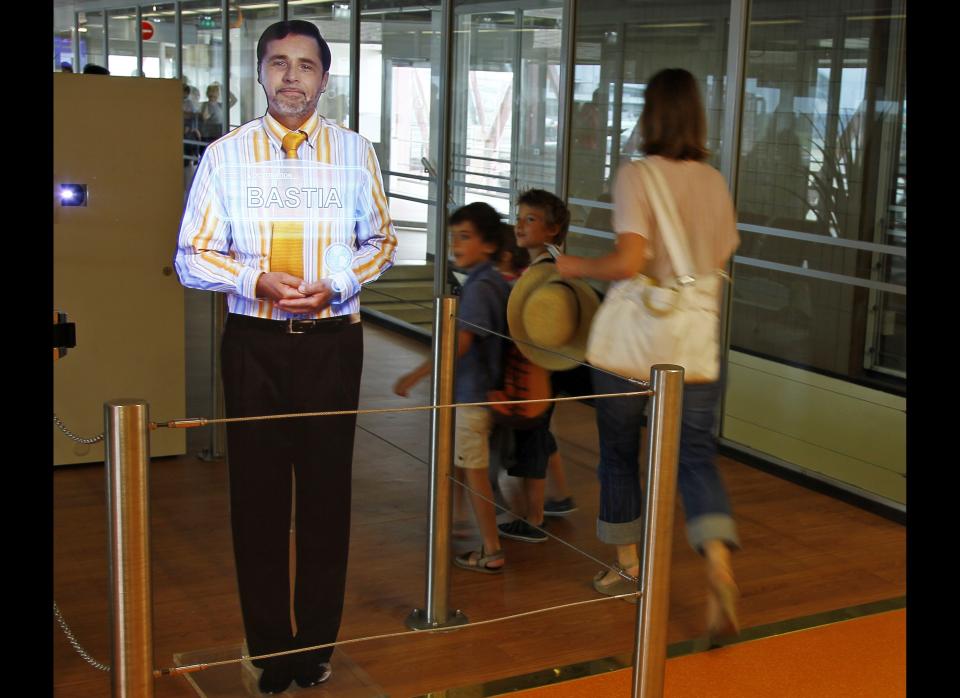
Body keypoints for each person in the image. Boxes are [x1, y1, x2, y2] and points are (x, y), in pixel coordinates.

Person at [174, 20, 397, 694]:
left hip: (333, 343)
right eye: (279, 64)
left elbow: (381, 239)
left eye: (305, 65)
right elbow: (190, 256)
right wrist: (255, 281)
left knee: (328, 499)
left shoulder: (354, 152)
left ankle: (316, 648)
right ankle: (272, 653)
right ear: (261, 73)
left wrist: (341, 282)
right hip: (255, 345)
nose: (291, 77)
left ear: (324, 78)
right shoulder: (226, 154)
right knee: (259, 502)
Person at [556, 68, 741, 639]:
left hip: (632, 348)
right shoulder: (714, 181)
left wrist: (574, 267)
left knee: (617, 455)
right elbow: (718, 258)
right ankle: (719, 566)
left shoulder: (636, 176)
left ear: (650, 113)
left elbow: (628, 263)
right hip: (695, 345)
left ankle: (628, 568)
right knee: (695, 459)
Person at [394, 202, 509, 574]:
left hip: (472, 396)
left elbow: (462, 342)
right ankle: (456, 522)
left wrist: (417, 374)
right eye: (453, 237)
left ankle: (492, 548)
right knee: (465, 465)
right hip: (472, 395)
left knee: (474, 470)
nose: (456, 245)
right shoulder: (486, 281)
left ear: (488, 245)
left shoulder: (480, 288)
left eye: (465, 237)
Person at [495, 189, 577, 543]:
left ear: (552, 230)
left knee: (533, 434)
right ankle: (557, 498)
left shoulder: (543, 269)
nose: (520, 224)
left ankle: (534, 517)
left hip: (541, 363)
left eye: (531, 219)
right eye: (519, 217)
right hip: (551, 360)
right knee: (541, 430)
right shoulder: (550, 261)